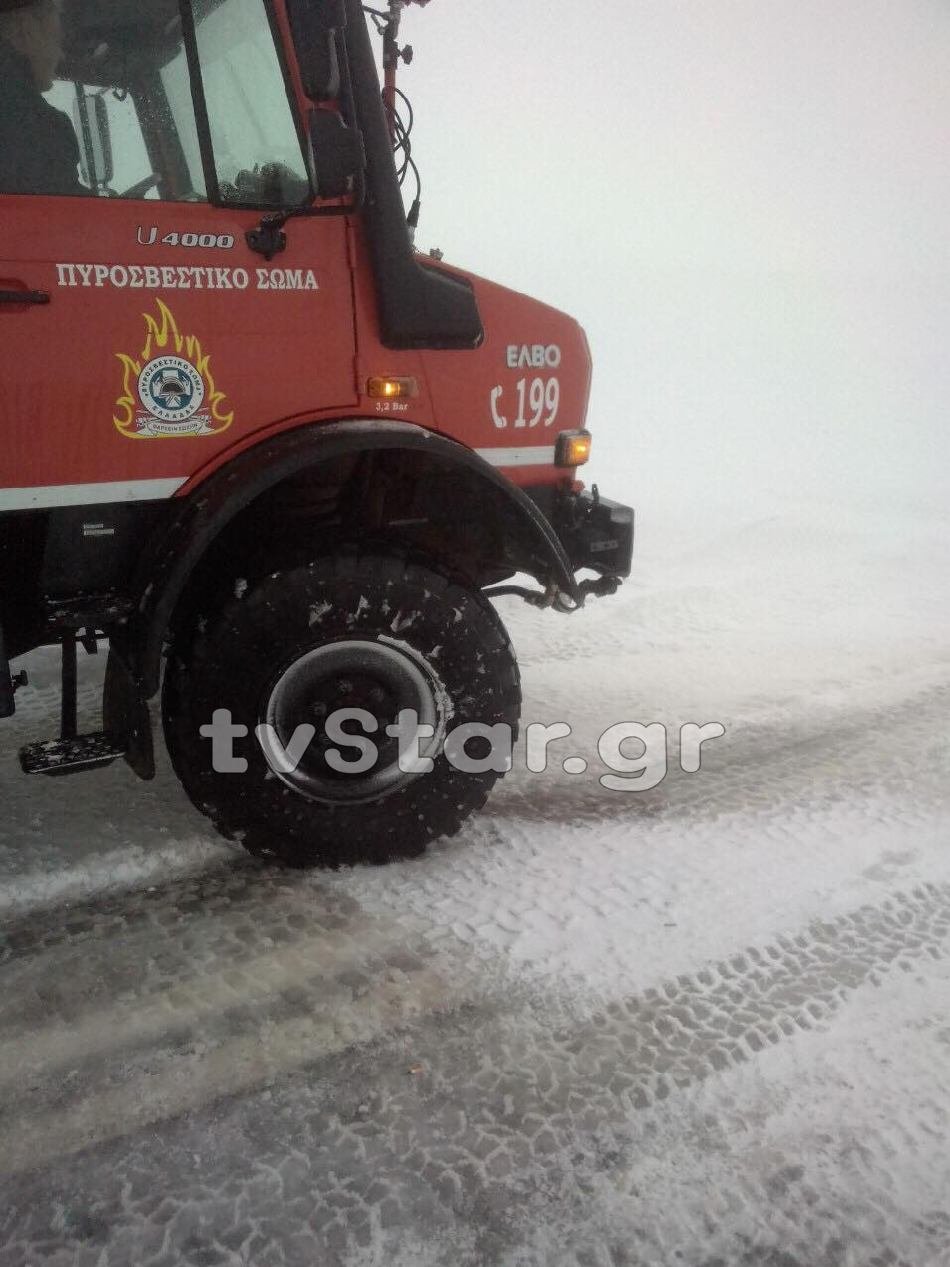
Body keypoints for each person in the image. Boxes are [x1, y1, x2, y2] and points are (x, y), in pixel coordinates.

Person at [0, 0, 87, 196]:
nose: (61, 55)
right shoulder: (42, 125)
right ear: (26, 29)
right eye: (55, 39)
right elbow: (60, 214)